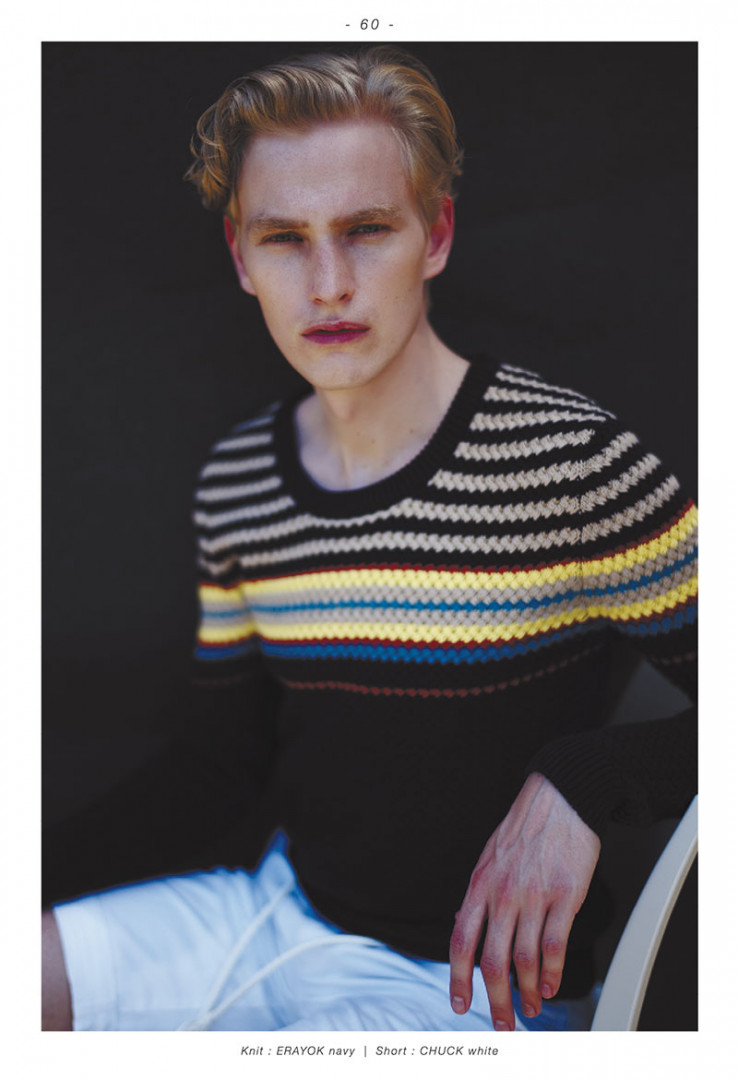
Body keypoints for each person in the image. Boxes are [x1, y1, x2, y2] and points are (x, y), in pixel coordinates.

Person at [42, 45, 697, 1033]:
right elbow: (219, 762)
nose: (329, 283)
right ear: (241, 259)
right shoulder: (239, 480)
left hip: (466, 989)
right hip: (269, 915)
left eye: (367, 230)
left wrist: (587, 778)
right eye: (284, 239)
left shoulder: (570, 459)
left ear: (436, 235)